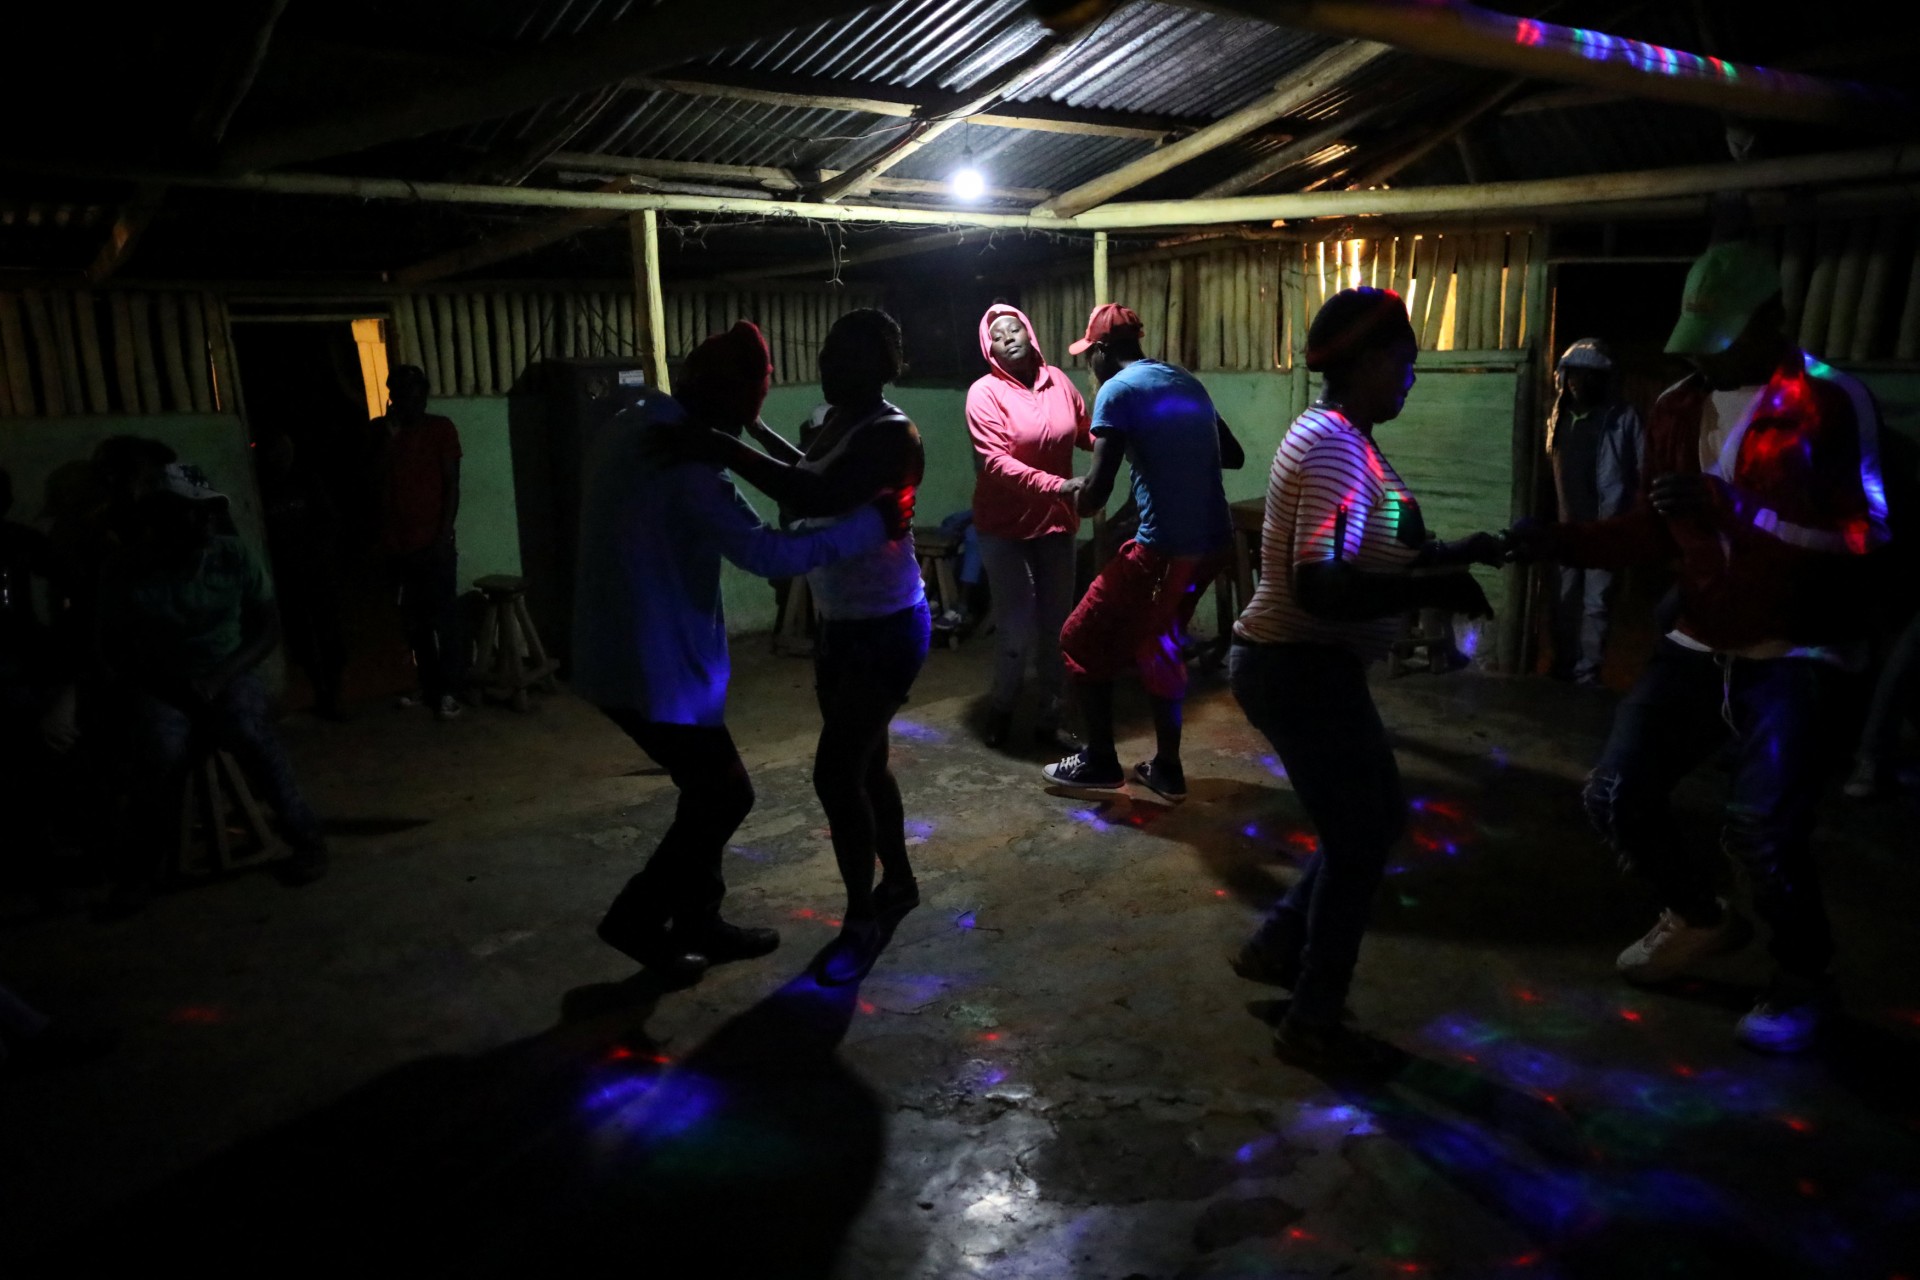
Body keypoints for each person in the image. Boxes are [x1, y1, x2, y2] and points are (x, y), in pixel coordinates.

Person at [1509, 239, 1890, 1054]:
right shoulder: (1679, 405)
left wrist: (1736, 511)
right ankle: (1698, 916)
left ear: (1773, 321)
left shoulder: (1829, 400)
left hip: (1799, 651)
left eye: (1725, 340)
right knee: (1614, 795)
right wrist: (1562, 542)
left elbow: (1870, 536)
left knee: (1761, 829)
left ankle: (1803, 976)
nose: (1706, 361)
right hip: (1698, 637)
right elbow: (1656, 528)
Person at [573, 321, 909, 984]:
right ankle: (638, 917)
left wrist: (739, 441)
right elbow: (767, 548)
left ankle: (700, 919)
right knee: (725, 795)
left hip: (620, 649)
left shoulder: (635, 419)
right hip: (654, 663)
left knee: (713, 789)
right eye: (751, 401)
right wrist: (871, 524)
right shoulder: (684, 459)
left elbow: (799, 481)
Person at [1225, 288, 1499, 1069]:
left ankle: (1277, 946)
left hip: (1308, 667)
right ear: (1370, 363)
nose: (1410, 381)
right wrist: (1429, 587)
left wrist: (1455, 554)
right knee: (1360, 838)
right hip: (1297, 665)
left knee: (1368, 825)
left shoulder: (1345, 437)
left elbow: (1374, 544)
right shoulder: (1335, 444)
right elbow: (1321, 586)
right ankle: (1312, 1015)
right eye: (1405, 366)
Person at [687, 309, 930, 987]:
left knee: (836, 772)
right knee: (867, 764)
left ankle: (860, 919)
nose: (826, 364)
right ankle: (900, 884)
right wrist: (752, 429)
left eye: (844, 355)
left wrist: (717, 443)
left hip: (887, 623)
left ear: (882, 365)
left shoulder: (892, 433)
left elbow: (815, 490)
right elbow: (810, 469)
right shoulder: (834, 420)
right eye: (826, 352)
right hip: (843, 620)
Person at [97, 463, 329, 912]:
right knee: (158, 756)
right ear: (161, 517)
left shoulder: (232, 556)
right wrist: (167, 685)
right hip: (159, 682)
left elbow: (267, 629)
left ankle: (307, 838)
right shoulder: (126, 569)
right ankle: (141, 872)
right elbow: (112, 648)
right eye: (192, 513)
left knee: (251, 731)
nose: (205, 522)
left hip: (225, 672)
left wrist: (219, 677)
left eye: (208, 512)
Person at [1042, 303, 1245, 803]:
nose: (1089, 365)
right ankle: (1167, 769)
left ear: (1105, 350)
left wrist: (1068, 487)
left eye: (1090, 355)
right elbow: (1233, 456)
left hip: (1166, 551)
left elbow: (1094, 498)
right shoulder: (1183, 381)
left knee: (1080, 638)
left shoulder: (1117, 391)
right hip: (1213, 544)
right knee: (1160, 645)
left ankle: (1100, 762)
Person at [965, 302, 1092, 750]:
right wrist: (1059, 485)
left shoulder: (1058, 381)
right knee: (1017, 627)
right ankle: (1002, 707)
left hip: (1055, 523)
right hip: (1004, 526)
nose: (1008, 338)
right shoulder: (983, 393)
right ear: (990, 349)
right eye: (997, 336)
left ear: (1029, 332)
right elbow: (995, 463)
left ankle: (1050, 714)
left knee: (1058, 626)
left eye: (1013, 329)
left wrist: (1124, 438)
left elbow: (1086, 431)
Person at [1545, 339, 1644, 685]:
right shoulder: (1557, 416)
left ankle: (1587, 673)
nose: (1578, 383)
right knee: (1564, 600)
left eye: (1588, 376)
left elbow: (1644, 470)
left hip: (1606, 527)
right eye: (1572, 375)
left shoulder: (1622, 418)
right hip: (1568, 525)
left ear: (1604, 378)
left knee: (1596, 603)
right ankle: (1564, 663)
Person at [372, 365, 464, 721]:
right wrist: (389, 438)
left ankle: (450, 691)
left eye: (413, 392)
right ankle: (428, 686)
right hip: (398, 544)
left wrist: (443, 536)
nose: (407, 399)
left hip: (432, 542)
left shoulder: (441, 429)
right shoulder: (384, 433)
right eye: (399, 392)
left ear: (423, 394)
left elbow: (452, 485)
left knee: (445, 618)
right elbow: (375, 480)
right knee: (415, 621)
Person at [258, 432, 348, 719]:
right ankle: (323, 693)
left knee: (327, 634)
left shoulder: (306, 480)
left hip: (315, 570)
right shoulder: (262, 485)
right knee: (303, 639)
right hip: (289, 575)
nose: (278, 458)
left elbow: (331, 522)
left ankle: (331, 695)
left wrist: (320, 557)